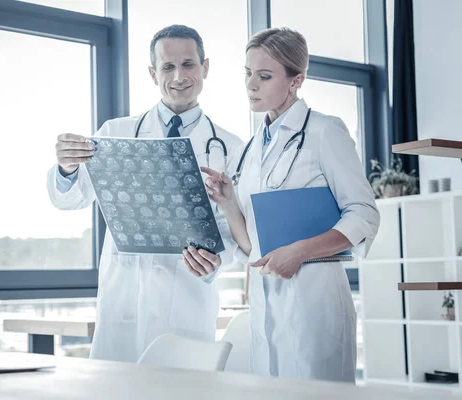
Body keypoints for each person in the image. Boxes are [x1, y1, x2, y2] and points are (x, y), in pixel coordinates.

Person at [47, 24, 244, 363]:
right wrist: (66, 168)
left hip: (188, 301)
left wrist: (216, 262)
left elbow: (239, 233)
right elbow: (71, 198)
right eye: (168, 66)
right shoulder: (116, 133)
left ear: (205, 67)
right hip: (123, 302)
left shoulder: (231, 147)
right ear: (153, 74)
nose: (179, 76)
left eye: (189, 64)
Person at [192, 27, 380, 382]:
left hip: (316, 301)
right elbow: (253, 247)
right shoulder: (251, 148)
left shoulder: (324, 131)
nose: (251, 85)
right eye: (247, 73)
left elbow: (364, 215)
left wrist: (299, 252)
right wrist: (230, 203)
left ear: (297, 80)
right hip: (265, 304)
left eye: (264, 76)